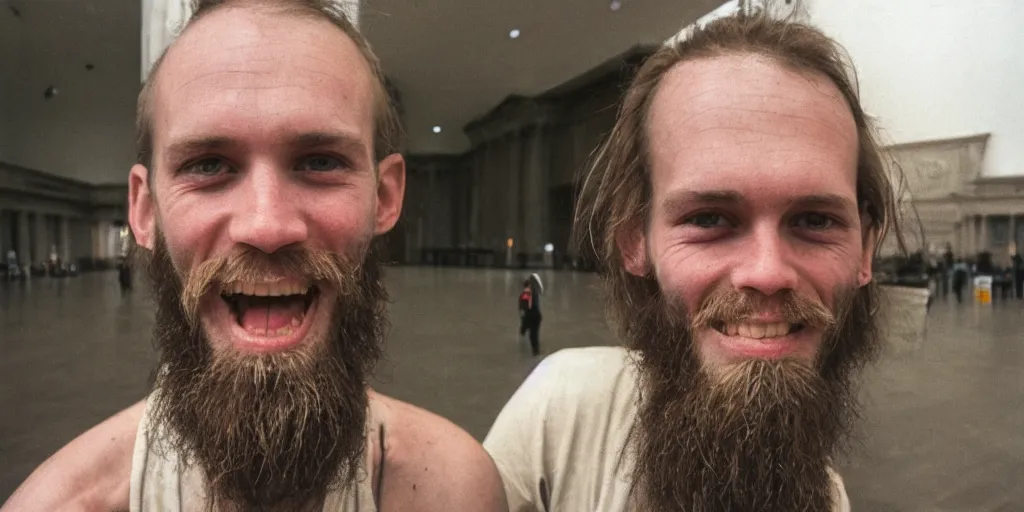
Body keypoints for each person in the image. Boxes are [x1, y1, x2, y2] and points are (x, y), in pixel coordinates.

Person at [2, 1, 506, 511]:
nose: (267, 227)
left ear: (385, 196)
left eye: (320, 161)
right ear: (145, 209)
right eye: (208, 165)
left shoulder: (457, 491)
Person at [484, 7, 907, 512]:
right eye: (709, 219)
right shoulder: (560, 416)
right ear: (634, 239)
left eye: (815, 221)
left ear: (864, 250)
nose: (768, 273)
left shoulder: (829, 498)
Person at [518, 279, 540, 356]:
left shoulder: (527, 295)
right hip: (534, 316)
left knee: (532, 334)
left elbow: (523, 308)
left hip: (531, 316)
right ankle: (535, 350)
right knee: (533, 334)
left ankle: (535, 350)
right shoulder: (531, 294)